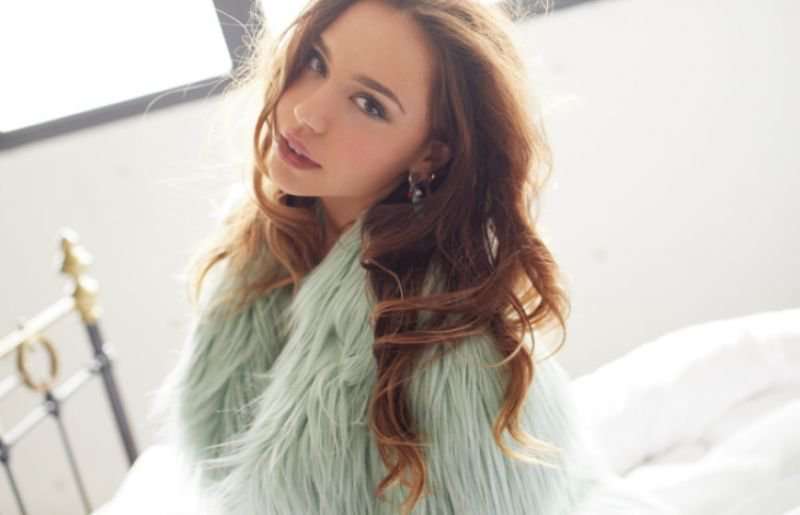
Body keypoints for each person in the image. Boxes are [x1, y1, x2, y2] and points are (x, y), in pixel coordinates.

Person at [151, 0, 677, 513]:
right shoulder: (263, 243)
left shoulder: (454, 350)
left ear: (431, 153)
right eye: (316, 61)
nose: (308, 112)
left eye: (369, 104)